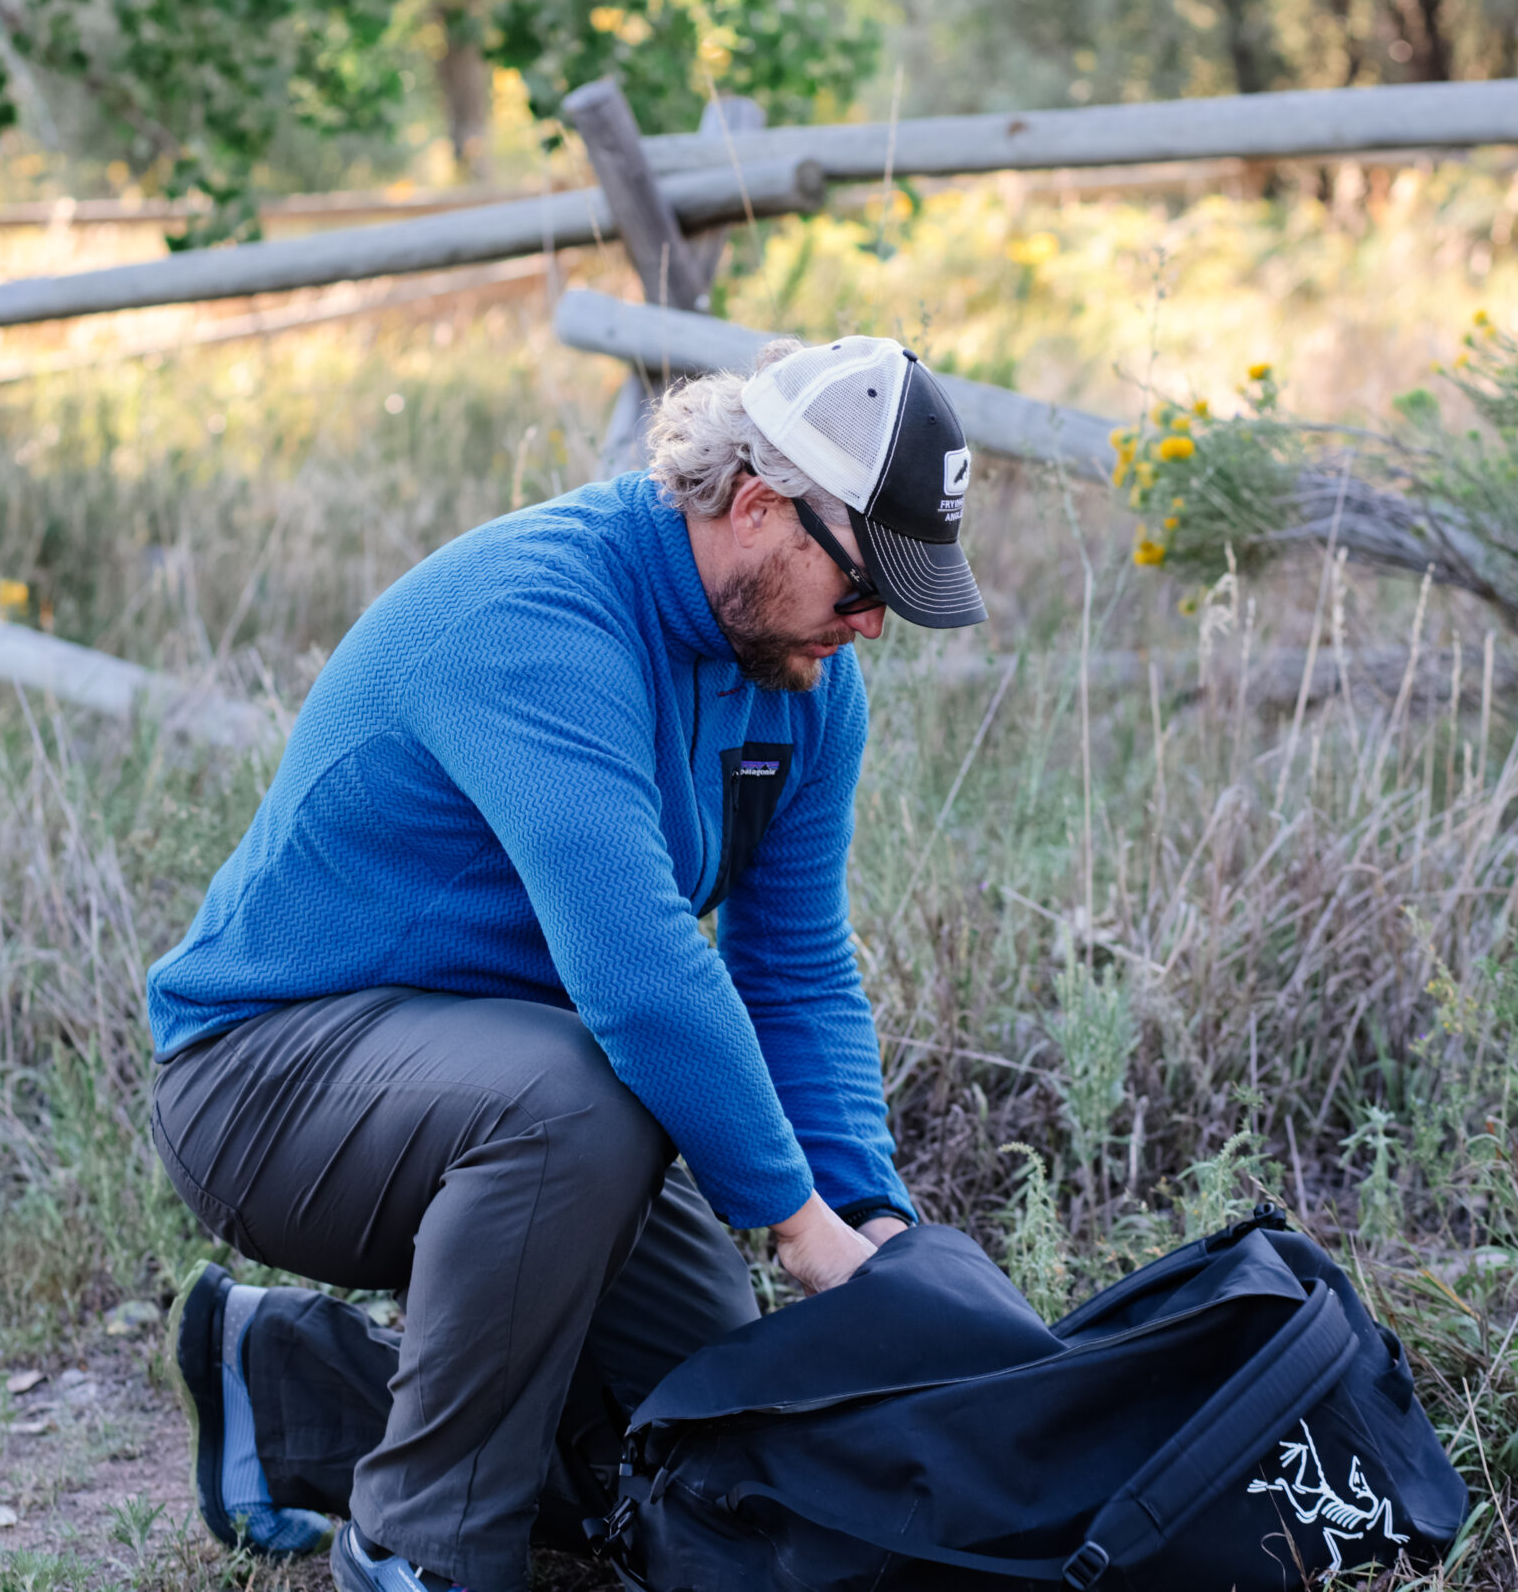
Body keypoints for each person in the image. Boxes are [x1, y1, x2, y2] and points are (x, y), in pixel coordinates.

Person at [145, 334, 988, 1592]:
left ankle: (291, 1388)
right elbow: (641, 973)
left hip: (525, 1092)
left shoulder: (805, 680)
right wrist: (793, 1226)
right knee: (576, 1098)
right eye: (863, 586)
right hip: (267, 1081)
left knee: (704, 1451)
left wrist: (867, 1220)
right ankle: (421, 1550)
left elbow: (796, 968)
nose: (869, 629)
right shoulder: (535, 618)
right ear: (759, 507)